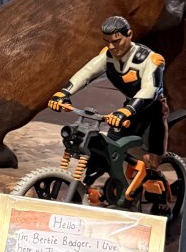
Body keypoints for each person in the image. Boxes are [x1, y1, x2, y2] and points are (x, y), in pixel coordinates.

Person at [48, 15, 168, 170]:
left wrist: (126, 111)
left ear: (129, 35)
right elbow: (86, 73)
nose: (111, 46)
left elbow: (149, 91)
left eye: (116, 41)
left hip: (152, 112)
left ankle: (154, 181)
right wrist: (64, 93)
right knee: (107, 150)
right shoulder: (107, 56)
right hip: (127, 110)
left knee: (150, 163)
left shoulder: (151, 60)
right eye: (107, 42)